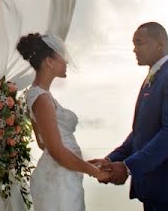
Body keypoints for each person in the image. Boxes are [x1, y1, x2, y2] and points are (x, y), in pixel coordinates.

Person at [89, 22, 168, 211]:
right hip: (152, 191)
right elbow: (140, 133)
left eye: (139, 43)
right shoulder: (152, 78)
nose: (134, 49)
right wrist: (111, 160)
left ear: (159, 44)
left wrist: (128, 167)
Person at [17, 33, 111, 210]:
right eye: (62, 56)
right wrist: (96, 172)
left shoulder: (37, 94)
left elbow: (43, 143)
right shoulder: (42, 99)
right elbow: (56, 151)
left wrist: (82, 164)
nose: (66, 62)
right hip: (59, 178)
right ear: (49, 61)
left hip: (63, 172)